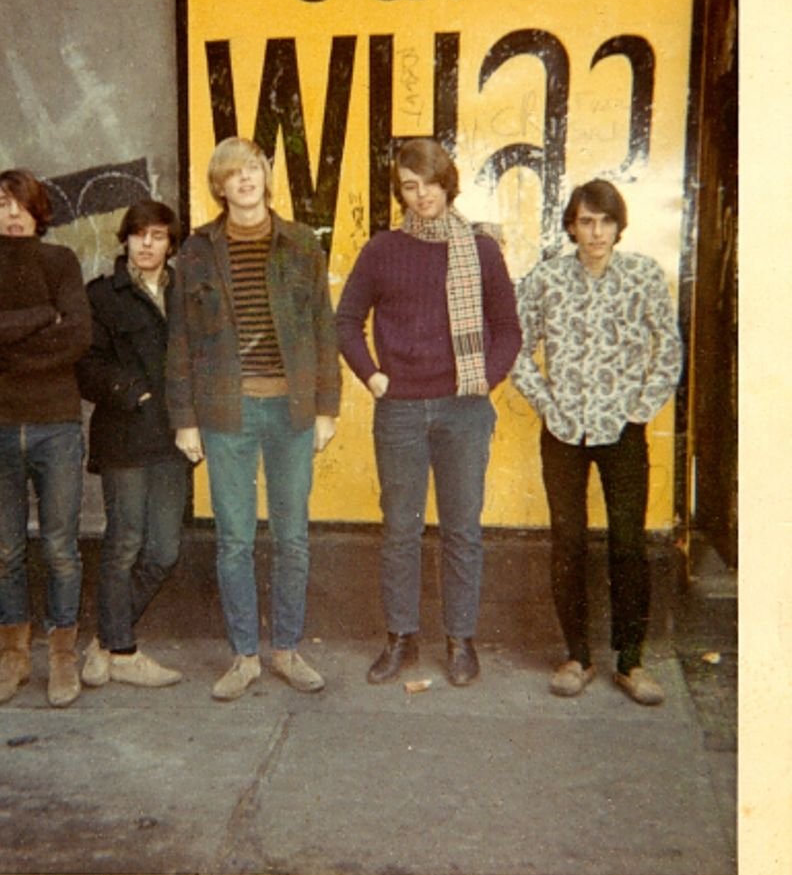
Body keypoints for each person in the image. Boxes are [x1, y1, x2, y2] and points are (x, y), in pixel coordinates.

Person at [336, 138, 521, 687]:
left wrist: (483, 379)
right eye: (410, 187)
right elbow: (346, 321)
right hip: (399, 413)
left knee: (462, 530)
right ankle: (400, 639)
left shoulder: (481, 250)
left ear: (448, 182)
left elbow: (509, 329)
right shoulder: (382, 251)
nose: (422, 196)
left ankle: (461, 640)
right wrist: (373, 376)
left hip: (464, 412)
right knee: (400, 530)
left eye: (430, 183)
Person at [166, 136, 341, 701]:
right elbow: (181, 341)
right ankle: (244, 656)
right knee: (234, 540)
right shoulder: (196, 251)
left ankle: (286, 650)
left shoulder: (300, 243)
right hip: (226, 414)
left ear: (267, 178)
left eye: (254, 170)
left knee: (292, 537)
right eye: (233, 173)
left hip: (291, 410)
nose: (246, 180)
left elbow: (323, 328)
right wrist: (184, 418)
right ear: (219, 185)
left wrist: (326, 408)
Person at [511, 178, 682, 705]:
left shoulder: (643, 276)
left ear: (618, 226)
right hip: (564, 430)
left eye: (605, 221)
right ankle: (577, 656)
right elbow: (514, 349)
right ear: (571, 225)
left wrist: (641, 407)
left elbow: (669, 347)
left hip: (622, 430)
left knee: (629, 543)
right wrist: (546, 401)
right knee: (569, 540)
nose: (596, 232)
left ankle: (631, 662)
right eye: (586, 221)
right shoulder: (546, 280)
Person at [0, 168, 92, 708]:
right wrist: (40, 317)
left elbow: (77, 337)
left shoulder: (61, 262)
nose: (12, 214)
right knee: (6, 550)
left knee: (61, 547)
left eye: (21, 205)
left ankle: (62, 658)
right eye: (2, 204)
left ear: (39, 211)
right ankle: (13, 658)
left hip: (55, 425)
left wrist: (5, 346)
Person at [75, 200, 189, 689]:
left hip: (174, 440)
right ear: (125, 240)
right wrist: (134, 391)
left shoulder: (185, 292)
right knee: (124, 542)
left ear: (170, 243)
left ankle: (104, 640)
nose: (147, 244)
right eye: (139, 234)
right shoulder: (101, 296)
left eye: (158, 235)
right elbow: (85, 366)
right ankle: (122, 649)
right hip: (124, 436)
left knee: (163, 550)